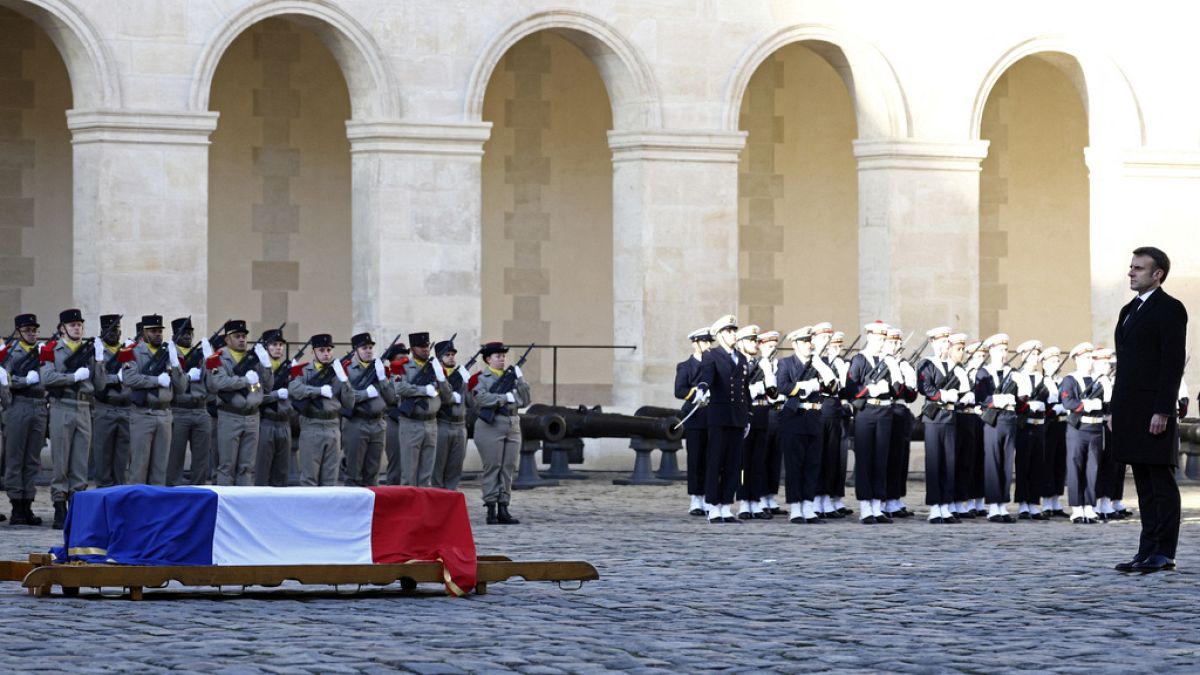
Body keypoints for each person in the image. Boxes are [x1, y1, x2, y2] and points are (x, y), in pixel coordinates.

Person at [1111, 246, 1187, 573]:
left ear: (1157, 274)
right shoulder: (1129, 310)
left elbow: (1171, 363)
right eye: (1131, 267)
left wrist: (1163, 410)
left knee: (1161, 483)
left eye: (1139, 268)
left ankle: (1164, 551)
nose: (1131, 272)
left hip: (1155, 411)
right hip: (1130, 410)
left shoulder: (1170, 308)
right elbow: (1125, 366)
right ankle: (1146, 550)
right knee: (1143, 484)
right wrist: (1116, 409)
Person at [40, 309, 104, 528]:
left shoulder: (88, 350)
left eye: (79, 324)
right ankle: (59, 506)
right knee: (61, 460)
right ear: (62, 328)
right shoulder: (51, 350)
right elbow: (46, 377)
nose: (77, 328)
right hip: (62, 406)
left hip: (84, 406)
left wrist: (100, 360)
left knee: (80, 461)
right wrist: (72, 377)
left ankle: (77, 507)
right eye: (73, 325)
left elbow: (101, 384)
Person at [776, 326, 833, 524]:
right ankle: (795, 508)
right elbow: (782, 386)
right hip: (795, 416)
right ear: (795, 344)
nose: (809, 345)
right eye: (805, 342)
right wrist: (803, 387)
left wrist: (822, 369)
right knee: (794, 464)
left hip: (815, 416)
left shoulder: (820, 362)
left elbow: (833, 386)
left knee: (812, 463)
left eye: (810, 341)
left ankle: (808, 506)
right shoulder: (786, 363)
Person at [846, 321, 901, 523]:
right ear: (869, 337)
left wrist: (896, 374)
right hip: (866, 411)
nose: (881, 342)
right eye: (878, 338)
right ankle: (865, 507)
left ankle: (877, 506)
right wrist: (869, 389)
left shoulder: (888, 361)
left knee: (881, 459)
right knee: (865, 459)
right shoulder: (860, 359)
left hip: (885, 410)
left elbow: (897, 391)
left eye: (883, 339)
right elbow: (851, 388)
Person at [471, 341, 531, 524]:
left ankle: (504, 506)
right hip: (491, 424)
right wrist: (503, 398)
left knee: (508, 467)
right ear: (488, 359)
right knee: (493, 466)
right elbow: (480, 398)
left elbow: (525, 400)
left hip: (512, 424)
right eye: (498, 356)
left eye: (504, 356)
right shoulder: (482, 378)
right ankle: (490, 507)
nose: (502, 359)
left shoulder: (512, 377)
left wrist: (521, 380)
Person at [122, 314, 185, 485]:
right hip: (143, 414)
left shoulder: (169, 352)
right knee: (139, 467)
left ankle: (155, 507)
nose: (158, 334)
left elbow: (181, 387)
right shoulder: (132, 352)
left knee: (160, 467)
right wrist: (155, 380)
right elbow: (129, 378)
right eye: (153, 331)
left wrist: (176, 365)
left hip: (164, 414)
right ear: (145, 332)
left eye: (160, 331)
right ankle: (137, 507)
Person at [699, 315, 750, 523]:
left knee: (733, 463)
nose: (733, 334)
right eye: (728, 331)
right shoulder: (712, 356)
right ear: (719, 335)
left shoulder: (742, 358)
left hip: (737, 417)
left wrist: (747, 417)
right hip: (719, 416)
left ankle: (726, 506)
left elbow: (744, 391)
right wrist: (702, 390)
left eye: (734, 330)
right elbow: (707, 378)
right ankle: (712, 506)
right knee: (715, 461)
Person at [208, 320, 270, 486]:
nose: (242, 339)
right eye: (237, 336)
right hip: (230, 416)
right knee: (227, 466)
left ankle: (244, 505)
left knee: (247, 467)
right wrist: (244, 381)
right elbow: (217, 383)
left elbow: (268, 385)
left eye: (244, 336)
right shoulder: (218, 358)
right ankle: (225, 506)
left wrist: (266, 365)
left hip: (252, 417)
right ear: (227, 339)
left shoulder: (253, 358)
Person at [975, 333, 1028, 523]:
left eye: (1005, 349)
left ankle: (1002, 505)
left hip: (1009, 419)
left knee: (1006, 463)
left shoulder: (1013, 374)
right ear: (991, 351)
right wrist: (997, 400)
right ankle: (993, 507)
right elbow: (980, 397)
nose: (1004, 353)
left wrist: (1023, 395)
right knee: (993, 463)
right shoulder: (983, 373)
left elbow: (1022, 405)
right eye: (999, 350)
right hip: (993, 420)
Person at [288, 334, 354, 486]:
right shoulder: (304, 370)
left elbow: (349, 402)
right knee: (309, 478)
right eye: (322, 350)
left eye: (329, 350)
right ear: (313, 352)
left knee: (330, 479)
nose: (326, 353)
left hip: (333, 426)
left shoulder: (338, 373)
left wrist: (344, 380)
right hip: (312, 425)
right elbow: (294, 388)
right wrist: (318, 391)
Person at [916, 327, 963, 524]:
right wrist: (942, 395)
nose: (946, 345)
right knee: (935, 463)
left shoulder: (953, 366)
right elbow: (924, 387)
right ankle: (935, 506)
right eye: (943, 342)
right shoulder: (927, 364)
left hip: (949, 416)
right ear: (934, 343)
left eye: (947, 342)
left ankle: (946, 504)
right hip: (934, 417)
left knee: (949, 462)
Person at [393, 332, 452, 487]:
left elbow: (448, 396)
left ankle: (422, 508)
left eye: (427, 346)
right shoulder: (403, 367)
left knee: (426, 473)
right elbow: (399, 388)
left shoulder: (436, 368)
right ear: (413, 349)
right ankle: (408, 509)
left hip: (431, 423)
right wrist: (423, 390)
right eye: (421, 347)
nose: (426, 349)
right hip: (411, 423)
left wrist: (441, 378)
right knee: (409, 473)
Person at [3, 314, 46, 525]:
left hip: (39, 406)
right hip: (19, 404)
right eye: (28, 330)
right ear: (19, 332)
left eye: (34, 330)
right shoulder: (12, 351)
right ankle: (16, 505)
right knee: (15, 457)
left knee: (32, 459)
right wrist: (23, 380)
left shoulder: (42, 351)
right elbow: (5, 378)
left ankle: (28, 503)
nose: (32, 333)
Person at [340, 332, 395, 487]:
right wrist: (365, 394)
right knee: (353, 473)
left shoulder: (379, 369)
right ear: (355, 350)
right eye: (364, 348)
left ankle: (370, 509)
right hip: (356, 422)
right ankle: (352, 509)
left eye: (371, 347)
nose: (369, 351)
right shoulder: (347, 370)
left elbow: (391, 398)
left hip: (378, 423)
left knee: (373, 472)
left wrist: (382, 378)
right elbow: (345, 398)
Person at [166, 317, 212, 486]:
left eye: (190, 333)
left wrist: (209, 361)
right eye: (183, 333)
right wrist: (186, 375)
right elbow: (177, 385)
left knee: (201, 458)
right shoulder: (169, 354)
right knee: (175, 456)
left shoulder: (199, 354)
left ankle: (198, 489)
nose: (187, 336)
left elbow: (212, 384)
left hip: (201, 409)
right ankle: (173, 490)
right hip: (179, 410)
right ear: (175, 335)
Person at [1060, 342, 1103, 524]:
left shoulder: (1099, 379)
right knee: (1076, 467)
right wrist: (1086, 405)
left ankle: (1089, 506)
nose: (1089, 361)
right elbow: (1068, 402)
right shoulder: (1070, 379)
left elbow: (1107, 403)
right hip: (1078, 429)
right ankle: (1077, 508)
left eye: (1091, 358)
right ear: (1076, 359)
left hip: (1095, 429)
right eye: (1085, 358)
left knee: (1093, 469)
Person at [674, 328, 712, 516]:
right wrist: (695, 393)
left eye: (709, 342)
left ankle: (707, 497)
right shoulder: (685, 366)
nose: (708, 346)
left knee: (710, 458)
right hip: (696, 416)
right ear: (694, 344)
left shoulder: (713, 365)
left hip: (712, 416)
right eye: (704, 342)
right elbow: (679, 390)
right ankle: (696, 498)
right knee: (696, 458)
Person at [736, 324, 772, 520]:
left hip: (762, 412)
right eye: (750, 340)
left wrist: (768, 376)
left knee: (759, 460)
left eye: (755, 340)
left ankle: (755, 501)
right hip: (744, 413)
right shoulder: (737, 363)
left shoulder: (762, 364)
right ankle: (743, 501)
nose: (755, 343)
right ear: (741, 343)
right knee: (743, 461)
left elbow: (774, 390)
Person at [91, 314, 130, 489]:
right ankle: (103, 494)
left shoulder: (126, 351)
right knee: (103, 457)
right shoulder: (96, 352)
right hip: (104, 408)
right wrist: (116, 378)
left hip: (125, 409)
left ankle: (119, 495)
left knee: (122, 460)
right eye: (108, 329)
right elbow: (98, 379)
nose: (113, 333)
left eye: (115, 329)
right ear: (102, 331)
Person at [1013, 339, 1049, 520]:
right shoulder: (1017, 376)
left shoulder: (1043, 378)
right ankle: (1022, 503)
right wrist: (1026, 406)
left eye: (1037, 354)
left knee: (1037, 465)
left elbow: (1051, 401)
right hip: (1024, 425)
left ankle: (1034, 502)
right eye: (1032, 354)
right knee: (1023, 464)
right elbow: (1015, 403)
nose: (1036, 358)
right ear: (1023, 356)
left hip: (1039, 425)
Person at [255, 328, 294, 487]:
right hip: (266, 422)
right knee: (262, 471)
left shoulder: (289, 368)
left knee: (282, 473)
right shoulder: (257, 369)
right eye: (274, 345)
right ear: (266, 348)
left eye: (280, 345)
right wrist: (275, 395)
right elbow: (254, 395)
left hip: (284, 423)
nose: (278, 348)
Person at [432, 339, 472, 490]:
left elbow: (471, 402)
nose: (451, 357)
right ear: (439, 358)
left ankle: (450, 500)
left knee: (455, 468)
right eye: (447, 355)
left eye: (453, 354)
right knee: (438, 467)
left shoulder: (460, 375)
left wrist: (468, 383)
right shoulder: (434, 375)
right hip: (442, 423)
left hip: (460, 425)